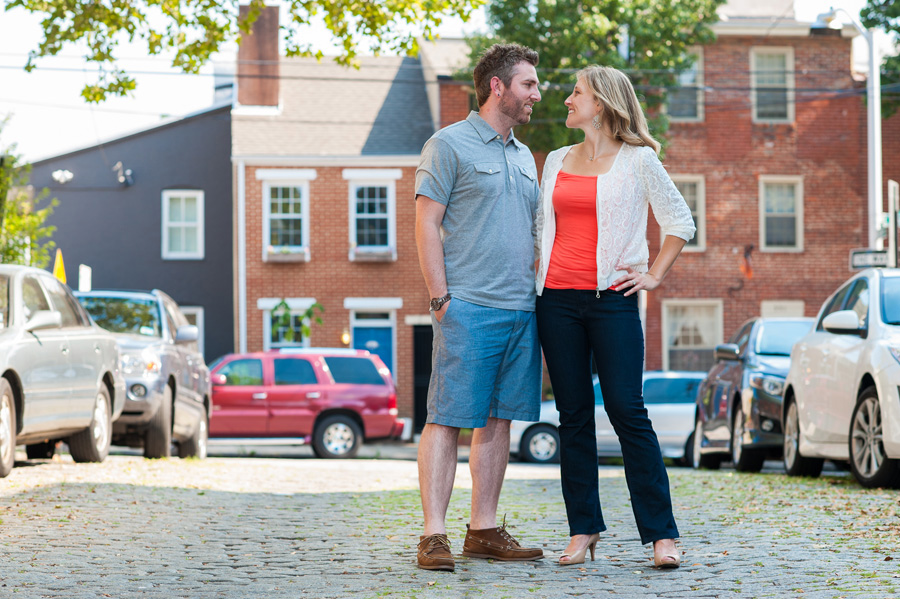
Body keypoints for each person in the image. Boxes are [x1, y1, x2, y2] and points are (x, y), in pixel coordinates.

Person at [534, 65, 696, 569]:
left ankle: (661, 535)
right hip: (556, 300)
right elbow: (543, 231)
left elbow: (679, 221)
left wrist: (653, 275)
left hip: (613, 301)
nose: (566, 99)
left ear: (601, 103)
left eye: (575, 92)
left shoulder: (639, 161)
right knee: (574, 416)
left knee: (628, 411)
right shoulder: (557, 160)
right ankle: (583, 530)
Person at [413, 43, 545, 572]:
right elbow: (426, 222)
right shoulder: (449, 145)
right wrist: (442, 298)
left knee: (498, 421)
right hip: (468, 306)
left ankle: (484, 528)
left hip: (521, 310)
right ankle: (433, 535)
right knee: (446, 419)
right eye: (529, 84)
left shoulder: (524, 156)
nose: (537, 93)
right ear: (498, 86)